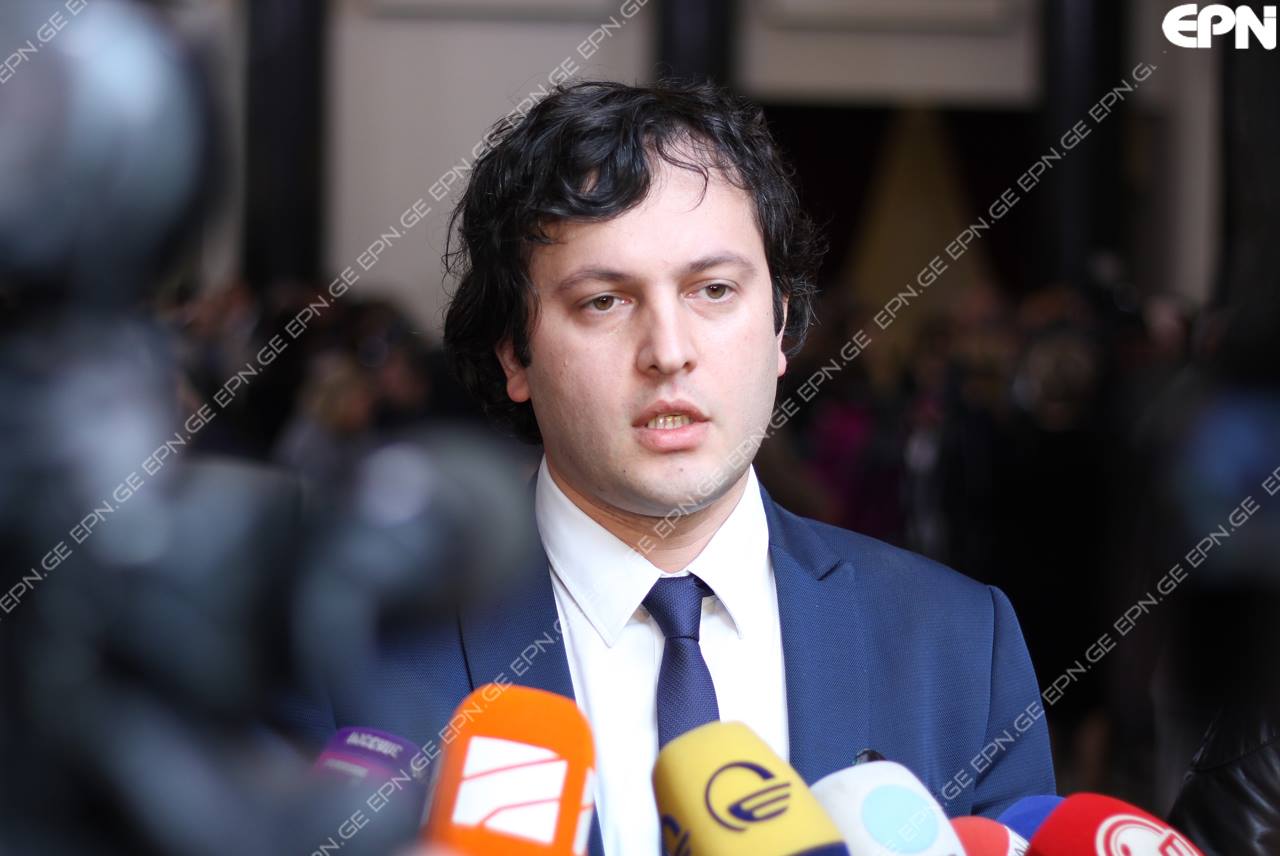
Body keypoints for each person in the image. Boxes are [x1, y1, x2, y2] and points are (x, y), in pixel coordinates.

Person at [284, 79, 1054, 856]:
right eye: (604, 302)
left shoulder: (958, 643)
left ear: (780, 324)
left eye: (713, 290)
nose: (669, 351)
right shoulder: (355, 653)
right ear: (515, 353)